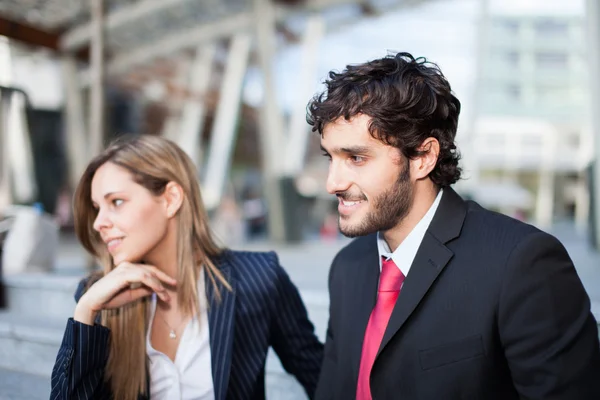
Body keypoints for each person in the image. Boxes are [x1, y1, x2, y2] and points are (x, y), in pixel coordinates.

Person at [308, 52, 600, 400]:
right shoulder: (347, 268)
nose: (332, 183)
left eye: (356, 158)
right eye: (331, 157)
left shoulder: (521, 264)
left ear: (423, 157)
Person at [50, 135, 323, 400]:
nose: (99, 223)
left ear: (170, 199)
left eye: (116, 202)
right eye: (97, 208)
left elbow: (321, 379)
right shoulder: (97, 297)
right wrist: (86, 312)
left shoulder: (258, 277)